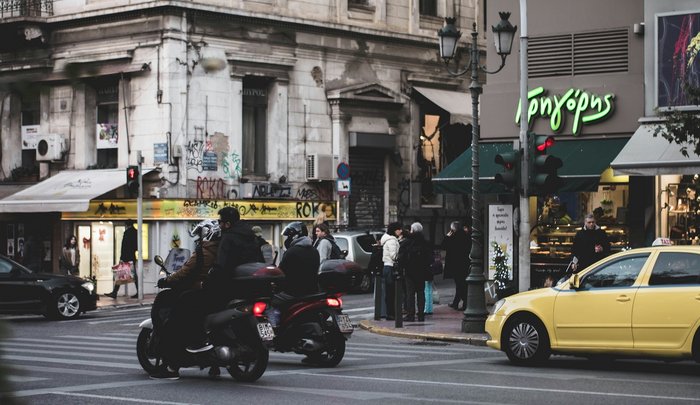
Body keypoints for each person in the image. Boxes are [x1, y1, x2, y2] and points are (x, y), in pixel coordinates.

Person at [181, 207, 262, 354]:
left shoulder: (228, 237)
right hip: (250, 287)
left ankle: (199, 340)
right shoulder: (251, 236)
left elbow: (221, 266)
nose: (220, 225)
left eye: (221, 222)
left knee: (190, 302)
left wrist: (207, 282)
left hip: (228, 286)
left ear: (228, 224)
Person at [150, 219, 221, 380]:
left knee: (175, 324)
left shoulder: (204, 250)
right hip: (216, 294)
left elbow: (186, 271)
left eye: (199, 236)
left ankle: (172, 366)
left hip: (199, 291)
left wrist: (167, 281)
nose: (197, 239)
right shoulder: (222, 249)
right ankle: (212, 364)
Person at [397, 222, 431, 322]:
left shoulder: (407, 242)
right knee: (421, 293)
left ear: (412, 230)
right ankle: (421, 315)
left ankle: (410, 315)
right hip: (422, 271)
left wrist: (400, 269)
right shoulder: (425, 242)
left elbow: (401, 258)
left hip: (409, 271)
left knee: (410, 293)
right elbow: (429, 258)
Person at [278, 221, 320, 297]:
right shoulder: (314, 251)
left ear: (295, 236)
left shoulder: (291, 252)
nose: (287, 239)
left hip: (293, 292)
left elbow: (281, 272)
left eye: (289, 237)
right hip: (312, 290)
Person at [104, 220, 138, 299]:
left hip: (126, 258)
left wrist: (122, 258)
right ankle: (115, 292)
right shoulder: (135, 232)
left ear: (126, 225)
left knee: (121, 274)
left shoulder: (127, 233)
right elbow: (136, 246)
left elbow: (124, 247)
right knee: (128, 275)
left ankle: (114, 292)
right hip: (132, 257)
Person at [442, 221, 470, 310]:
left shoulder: (452, 237)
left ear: (453, 229)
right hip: (465, 264)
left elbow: (443, 246)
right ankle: (456, 302)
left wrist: (447, 236)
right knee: (461, 284)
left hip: (455, 265)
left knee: (460, 285)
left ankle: (464, 303)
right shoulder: (466, 236)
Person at [380, 222, 402, 320]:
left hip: (386, 267)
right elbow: (394, 256)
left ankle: (390, 313)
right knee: (391, 292)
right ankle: (391, 313)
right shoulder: (392, 241)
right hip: (391, 267)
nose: (400, 231)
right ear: (395, 230)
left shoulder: (386, 239)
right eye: (399, 229)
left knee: (389, 292)